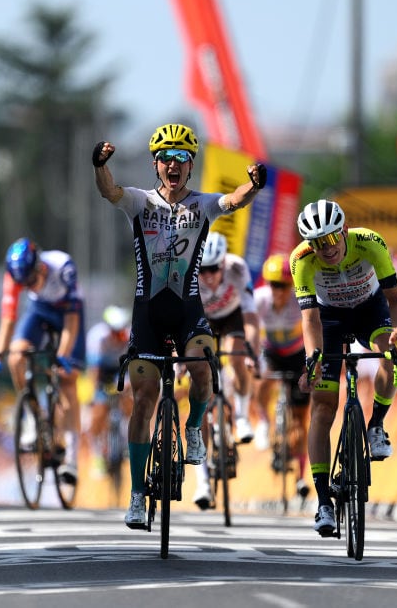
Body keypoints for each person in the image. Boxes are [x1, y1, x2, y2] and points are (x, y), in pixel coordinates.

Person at [92, 122, 266, 529]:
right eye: (166, 158)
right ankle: (137, 495)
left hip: (188, 309)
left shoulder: (202, 205)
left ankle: (193, 428)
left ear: (191, 165)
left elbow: (234, 200)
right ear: (156, 164)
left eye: (182, 158)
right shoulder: (140, 202)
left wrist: (255, 186)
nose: (173, 164)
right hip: (147, 314)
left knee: (203, 367)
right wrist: (99, 165)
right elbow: (109, 191)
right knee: (144, 399)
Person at [291, 199, 397, 537]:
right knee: (322, 407)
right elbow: (309, 319)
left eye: (331, 238)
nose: (326, 249)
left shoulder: (369, 242)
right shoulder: (301, 259)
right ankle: (323, 502)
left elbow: (395, 300)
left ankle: (376, 425)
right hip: (328, 320)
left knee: (391, 356)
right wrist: (312, 359)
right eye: (317, 243)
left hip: (370, 310)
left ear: (344, 231)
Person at [0, 237, 86, 485]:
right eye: (23, 284)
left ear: (40, 267)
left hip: (67, 314)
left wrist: (63, 356)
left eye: (30, 281)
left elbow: (72, 320)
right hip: (40, 312)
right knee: (16, 357)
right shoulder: (13, 276)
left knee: (68, 381)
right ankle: (32, 417)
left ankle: (71, 457)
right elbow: (8, 319)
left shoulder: (63, 266)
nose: (27, 287)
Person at [192, 231, 262, 509]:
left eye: (213, 269)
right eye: (203, 270)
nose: (208, 276)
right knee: (201, 392)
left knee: (236, 356)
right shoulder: (189, 273)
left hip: (233, 316)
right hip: (202, 321)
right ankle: (202, 482)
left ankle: (242, 415)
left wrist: (252, 352)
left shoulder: (237, 268)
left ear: (223, 264)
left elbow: (251, 317)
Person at [253, 253, 311, 500]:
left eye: (284, 286)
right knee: (261, 379)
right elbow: (249, 328)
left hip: (297, 355)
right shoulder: (259, 299)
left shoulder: (300, 301)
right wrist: (250, 356)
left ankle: (300, 477)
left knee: (299, 422)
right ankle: (264, 422)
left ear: (291, 286)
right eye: (274, 285)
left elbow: (313, 326)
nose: (278, 291)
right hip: (271, 352)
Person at [85, 304, 132, 479]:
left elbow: (134, 366)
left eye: (121, 331)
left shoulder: (130, 336)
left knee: (130, 401)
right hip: (102, 372)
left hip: (122, 369)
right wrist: (95, 395)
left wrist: (128, 384)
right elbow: (94, 371)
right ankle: (98, 455)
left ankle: (127, 441)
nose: (118, 335)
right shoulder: (97, 337)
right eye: (114, 331)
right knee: (97, 414)